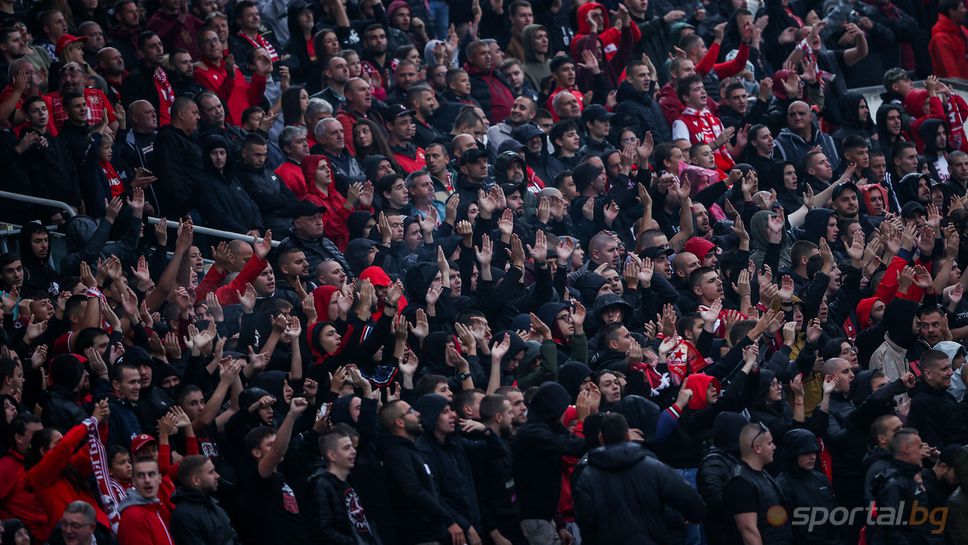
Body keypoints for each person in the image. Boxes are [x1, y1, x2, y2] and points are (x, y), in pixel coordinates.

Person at [573, 412, 705, 544]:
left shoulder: (587, 476)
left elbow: (586, 523)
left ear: (601, 438)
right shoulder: (653, 467)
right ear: (627, 436)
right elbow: (691, 502)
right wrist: (684, 517)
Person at [306, 427, 382, 545]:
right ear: (332, 455)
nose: (354, 451)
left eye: (352, 446)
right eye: (347, 448)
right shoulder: (322, 485)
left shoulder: (350, 481)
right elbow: (323, 531)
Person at [723, 422, 793, 545]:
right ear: (757, 448)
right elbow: (748, 531)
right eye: (770, 443)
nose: (774, 447)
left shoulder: (763, 474)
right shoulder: (740, 483)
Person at [170, 455, 238, 545]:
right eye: (211, 472)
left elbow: (233, 539)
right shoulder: (184, 517)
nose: (217, 476)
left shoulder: (216, 508)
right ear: (196, 480)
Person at [117, 457, 172, 545]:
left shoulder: (155, 509)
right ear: (133, 481)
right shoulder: (133, 516)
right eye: (141, 475)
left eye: (151, 474)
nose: (147, 480)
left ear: (160, 478)